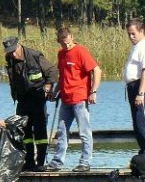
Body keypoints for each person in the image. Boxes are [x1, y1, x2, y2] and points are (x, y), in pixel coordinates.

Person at [42, 27, 102, 172]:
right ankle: (57, 162)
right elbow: (63, 76)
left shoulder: (80, 51)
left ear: (71, 37)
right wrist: (55, 92)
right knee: (62, 131)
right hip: (65, 99)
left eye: (68, 43)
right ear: (59, 42)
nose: (66, 46)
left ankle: (85, 162)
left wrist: (93, 91)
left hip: (80, 98)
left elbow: (96, 70)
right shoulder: (61, 54)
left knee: (84, 131)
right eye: (63, 44)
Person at [3, 36, 59, 171]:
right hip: (22, 99)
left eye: (13, 51)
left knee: (40, 132)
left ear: (18, 46)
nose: (12, 54)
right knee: (24, 132)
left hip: (38, 98)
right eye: (9, 52)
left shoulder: (34, 55)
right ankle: (28, 161)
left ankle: (40, 162)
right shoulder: (10, 59)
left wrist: (48, 86)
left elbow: (52, 71)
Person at [123, 18, 145, 167]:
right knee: (137, 123)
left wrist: (141, 93)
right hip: (133, 86)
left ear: (142, 31)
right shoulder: (137, 46)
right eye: (129, 34)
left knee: (144, 121)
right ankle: (143, 152)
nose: (131, 37)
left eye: (133, 34)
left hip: (142, 86)